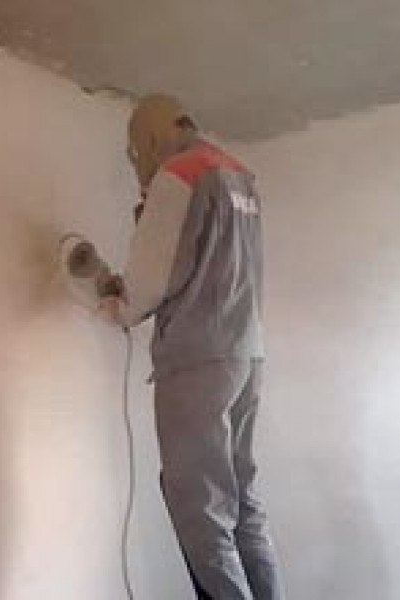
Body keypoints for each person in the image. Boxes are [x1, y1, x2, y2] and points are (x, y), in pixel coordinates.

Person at [100, 94, 285, 600]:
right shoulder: (238, 176)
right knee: (242, 501)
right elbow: (206, 258)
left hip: (196, 360)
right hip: (246, 354)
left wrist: (115, 303)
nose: (138, 164)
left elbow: (146, 285)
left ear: (149, 139)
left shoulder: (178, 175)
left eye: (137, 152)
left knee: (199, 509)